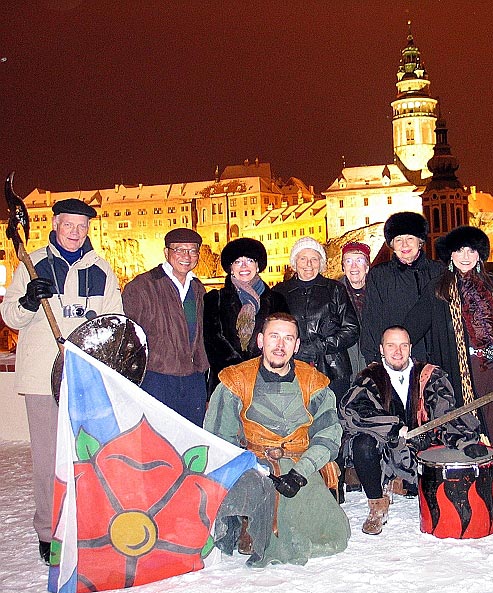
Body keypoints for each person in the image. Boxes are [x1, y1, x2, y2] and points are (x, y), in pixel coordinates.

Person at [0, 198, 123, 563]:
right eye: (68, 225)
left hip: (84, 375)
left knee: (87, 453)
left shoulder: (101, 269)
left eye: (82, 226)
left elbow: (114, 319)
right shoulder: (31, 262)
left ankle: (85, 521)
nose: (75, 233)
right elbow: (9, 316)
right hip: (42, 376)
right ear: (55, 224)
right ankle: (48, 530)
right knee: (47, 458)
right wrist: (27, 301)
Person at [204, 312, 350, 564]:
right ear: (260, 340)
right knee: (255, 493)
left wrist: (301, 472)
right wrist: (250, 468)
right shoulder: (235, 381)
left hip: (299, 465)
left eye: (288, 338)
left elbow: (328, 435)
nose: (280, 346)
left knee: (334, 534)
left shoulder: (313, 383)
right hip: (252, 465)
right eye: (274, 337)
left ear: (297, 345)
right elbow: (218, 438)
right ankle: (249, 525)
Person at [340, 325, 485, 534]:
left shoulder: (429, 375)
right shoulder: (369, 377)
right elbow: (355, 410)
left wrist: (465, 442)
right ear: (381, 349)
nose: (397, 352)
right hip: (386, 448)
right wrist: (394, 428)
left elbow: (445, 411)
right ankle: (377, 505)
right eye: (391, 345)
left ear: (410, 348)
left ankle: (406, 484)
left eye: (403, 345)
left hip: (422, 445)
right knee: (362, 444)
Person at [405, 226, 493, 444]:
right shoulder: (438, 289)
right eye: (460, 250)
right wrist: (395, 349)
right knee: (472, 425)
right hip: (463, 369)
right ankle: (479, 474)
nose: (465, 257)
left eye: (471, 251)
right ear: (451, 255)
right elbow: (413, 326)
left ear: (479, 255)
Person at [122, 228, 209, 426]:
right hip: (157, 377)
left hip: (193, 378)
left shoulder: (197, 287)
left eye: (192, 250)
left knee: (191, 443)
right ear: (166, 252)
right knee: (158, 440)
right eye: (179, 250)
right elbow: (128, 337)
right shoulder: (143, 286)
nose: (186, 256)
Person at [272, 237, 359, 403]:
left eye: (314, 259)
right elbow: (273, 331)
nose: (308, 264)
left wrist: (322, 346)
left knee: (333, 420)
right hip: (292, 368)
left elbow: (351, 329)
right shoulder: (279, 292)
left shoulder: (335, 289)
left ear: (321, 262)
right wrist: (295, 348)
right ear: (294, 262)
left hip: (334, 370)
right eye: (303, 259)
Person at [203, 237, 288, 397]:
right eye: (237, 261)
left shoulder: (277, 300)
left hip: (267, 381)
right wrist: (239, 370)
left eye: (249, 260)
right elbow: (213, 341)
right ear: (230, 268)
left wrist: (259, 369)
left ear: (258, 266)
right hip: (226, 382)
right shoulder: (215, 299)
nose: (244, 266)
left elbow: (282, 339)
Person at [360, 212, 445, 364]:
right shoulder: (379, 275)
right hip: (397, 360)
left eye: (410, 238)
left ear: (420, 242)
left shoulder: (438, 271)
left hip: (437, 358)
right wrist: (373, 359)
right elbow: (371, 319)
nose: (404, 245)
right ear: (392, 245)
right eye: (398, 240)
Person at [339, 241, 371, 380]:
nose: (354, 266)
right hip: (345, 364)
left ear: (367, 267)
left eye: (359, 260)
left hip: (372, 361)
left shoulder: (379, 290)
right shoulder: (333, 293)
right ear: (343, 267)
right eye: (348, 261)